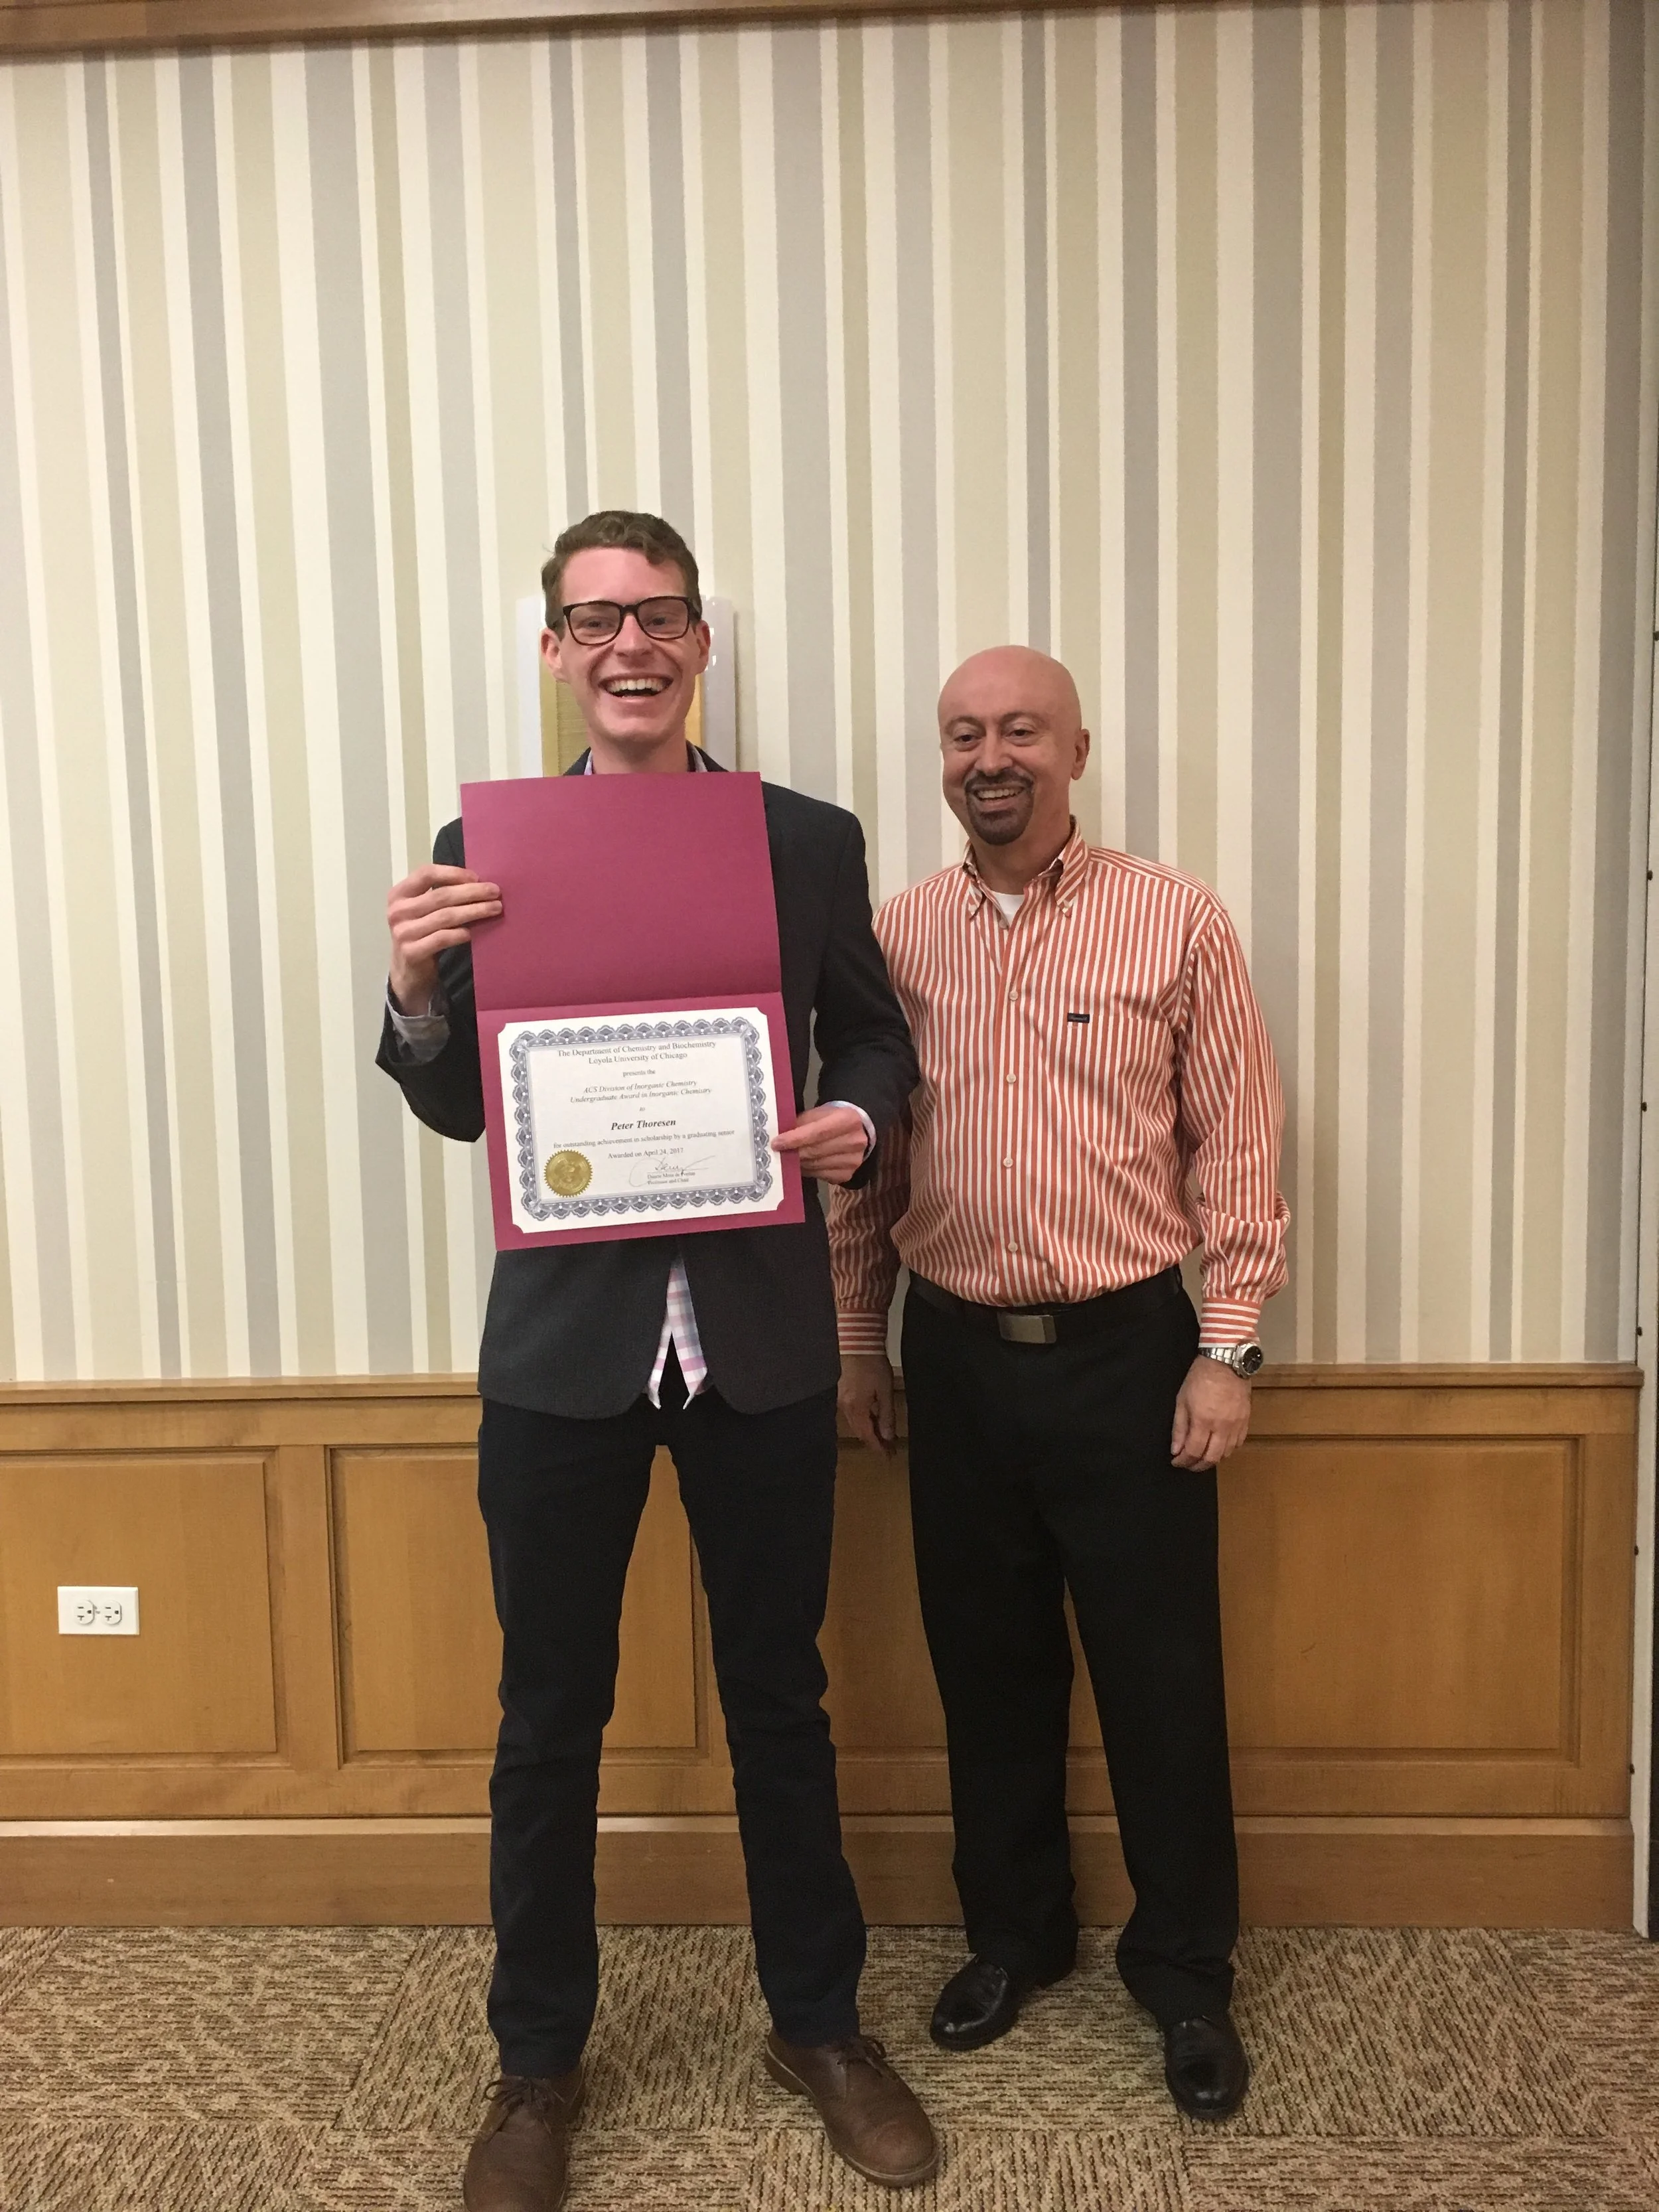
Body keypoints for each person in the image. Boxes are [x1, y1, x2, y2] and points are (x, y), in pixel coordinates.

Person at [378, 510, 935, 2209]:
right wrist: (414, 993)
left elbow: (871, 1028)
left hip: (758, 1340)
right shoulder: (491, 841)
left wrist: (858, 1109)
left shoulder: (803, 838)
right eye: (595, 618)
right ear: (553, 647)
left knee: (781, 1696)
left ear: (699, 643)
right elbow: (466, 1098)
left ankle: (817, 2022)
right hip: (565, 1353)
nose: (631, 643)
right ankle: (537, 2063)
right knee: (548, 1715)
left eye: (662, 614)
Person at [830, 646, 1287, 2123]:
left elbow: (1235, 1143)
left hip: (1129, 1354)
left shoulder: (1175, 919)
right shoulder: (892, 936)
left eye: (1017, 728)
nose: (988, 754)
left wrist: (1224, 1347)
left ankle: (1183, 1971)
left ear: (1074, 747)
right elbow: (867, 1164)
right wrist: (855, 1337)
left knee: (1160, 1674)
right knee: (987, 1664)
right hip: (954, 1354)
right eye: (962, 733)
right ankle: (1013, 1936)